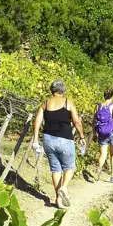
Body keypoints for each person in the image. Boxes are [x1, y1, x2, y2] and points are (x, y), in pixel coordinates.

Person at [31, 80, 86, 209]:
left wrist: (35, 140)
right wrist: (81, 136)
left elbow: (37, 122)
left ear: (52, 90)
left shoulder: (45, 104)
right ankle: (64, 188)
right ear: (63, 90)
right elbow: (76, 121)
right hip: (65, 139)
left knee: (56, 169)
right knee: (69, 167)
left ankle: (58, 200)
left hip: (48, 139)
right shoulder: (68, 102)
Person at [94, 90, 113, 183]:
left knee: (102, 155)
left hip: (102, 132)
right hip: (112, 133)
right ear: (112, 96)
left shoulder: (98, 106)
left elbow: (94, 121)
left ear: (104, 95)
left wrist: (94, 133)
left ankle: (99, 169)